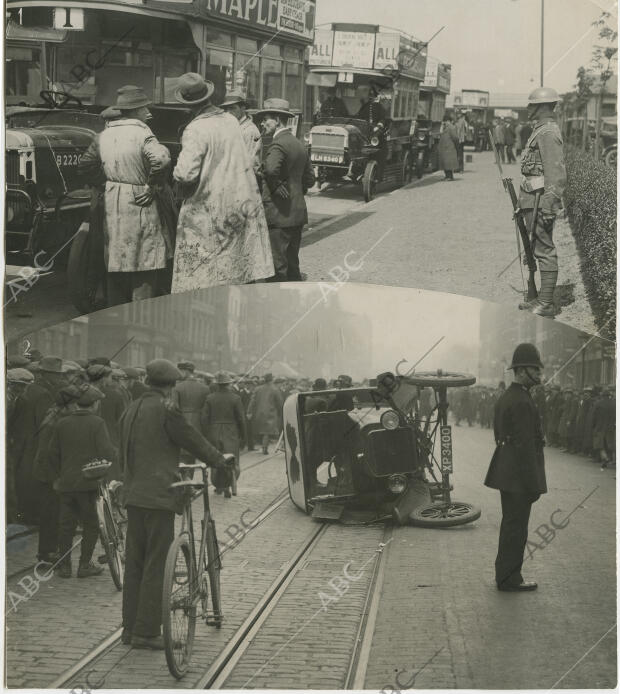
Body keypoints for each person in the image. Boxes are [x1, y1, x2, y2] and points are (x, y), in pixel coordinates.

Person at [118, 359, 232, 650]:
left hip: (134, 496)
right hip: (158, 496)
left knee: (135, 563)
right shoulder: (166, 409)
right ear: (170, 386)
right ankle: (146, 632)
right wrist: (219, 460)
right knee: (158, 563)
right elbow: (190, 438)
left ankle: (130, 629)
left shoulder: (131, 408)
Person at [171, 73, 274, 292]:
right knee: (236, 264)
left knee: (205, 271)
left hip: (209, 206)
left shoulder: (195, 129)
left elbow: (186, 174)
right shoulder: (230, 120)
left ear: (188, 105)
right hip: (239, 201)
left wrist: (175, 171)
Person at [79, 86, 174, 305]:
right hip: (140, 198)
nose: (148, 112)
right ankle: (142, 313)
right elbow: (161, 160)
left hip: (114, 199)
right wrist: (152, 186)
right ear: (136, 110)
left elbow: (85, 165)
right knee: (145, 258)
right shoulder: (143, 133)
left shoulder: (104, 135)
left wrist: (107, 183)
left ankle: (116, 312)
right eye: (145, 108)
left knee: (117, 256)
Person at [484, 343, 547, 592]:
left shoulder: (509, 396)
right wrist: (533, 485)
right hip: (519, 476)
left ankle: (505, 575)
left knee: (510, 525)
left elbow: (499, 433)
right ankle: (510, 579)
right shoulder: (522, 401)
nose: (539, 374)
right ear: (522, 371)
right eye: (535, 369)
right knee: (516, 528)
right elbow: (524, 447)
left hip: (506, 471)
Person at [47, 385, 117, 579]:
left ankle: (64, 567)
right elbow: (106, 451)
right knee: (91, 523)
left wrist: (60, 475)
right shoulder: (97, 423)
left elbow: (52, 454)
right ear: (94, 404)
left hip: (67, 483)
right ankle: (84, 564)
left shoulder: (62, 423)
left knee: (66, 525)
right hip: (88, 483)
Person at [518, 87, 567, 318]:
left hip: (540, 200)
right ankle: (541, 298)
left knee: (544, 249)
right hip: (530, 197)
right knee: (536, 247)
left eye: (532, 105)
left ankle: (546, 303)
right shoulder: (539, 130)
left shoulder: (548, 132)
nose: (529, 108)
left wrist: (549, 205)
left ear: (544, 107)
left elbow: (555, 173)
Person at [258, 98, 316, 282]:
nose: (262, 123)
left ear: (276, 120)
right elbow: (310, 179)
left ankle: (275, 307)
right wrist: (295, 190)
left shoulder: (278, 144)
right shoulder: (299, 144)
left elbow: (270, 169)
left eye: (266, 119)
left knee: (277, 266)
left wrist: (275, 185)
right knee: (292, 263)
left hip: (278, 214)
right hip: (297, 213)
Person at [202, 371, 246, 497]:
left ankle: (219, 485)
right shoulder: (235, 398)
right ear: (228, 384)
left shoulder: (210, 398)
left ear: (218, 384)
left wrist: (206, 434)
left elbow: (204, 418)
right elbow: (241, 419)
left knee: (216, 459)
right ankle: (229, 485)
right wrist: (243, 436)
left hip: (214, 432)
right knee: (231, 460)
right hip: (230, 432)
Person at [171, 361, 211, 463]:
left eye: (180, 371)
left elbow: (174, 408)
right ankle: (190, 476)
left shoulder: (177, 387)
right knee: (192, 454)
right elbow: (207, 411)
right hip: (198, 424)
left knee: (180, 455)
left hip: (182, 422)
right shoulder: (205, 388)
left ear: (185, 371)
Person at [219, 90, 263, 178]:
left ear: (243, 108)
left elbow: (250, 164)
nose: (228, 112)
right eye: (226, 109)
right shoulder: (231, 127)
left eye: (232, 108)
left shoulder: (250, 131)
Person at [248, 373, 284, 454]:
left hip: (259, 413)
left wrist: (249, 412)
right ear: (271, 380)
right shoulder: (275, 389)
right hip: (270, 413)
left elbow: (252, 401)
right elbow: (280, 402)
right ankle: (265, 447)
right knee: (266, 432)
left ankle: (263, 445)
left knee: (262, 431)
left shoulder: (257, 389)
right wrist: (280, 412)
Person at [438, 114, 459, 181]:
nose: (444, 123)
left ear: (448, 121)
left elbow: (455, 138)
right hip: (445, 148)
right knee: (445, 163)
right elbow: (440, 133)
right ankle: (447, 176)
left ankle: (450, 177)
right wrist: (441, 126)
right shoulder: (446, 127)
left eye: (445, 121)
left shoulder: (451, 127)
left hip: (449, 148)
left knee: (449, 163)